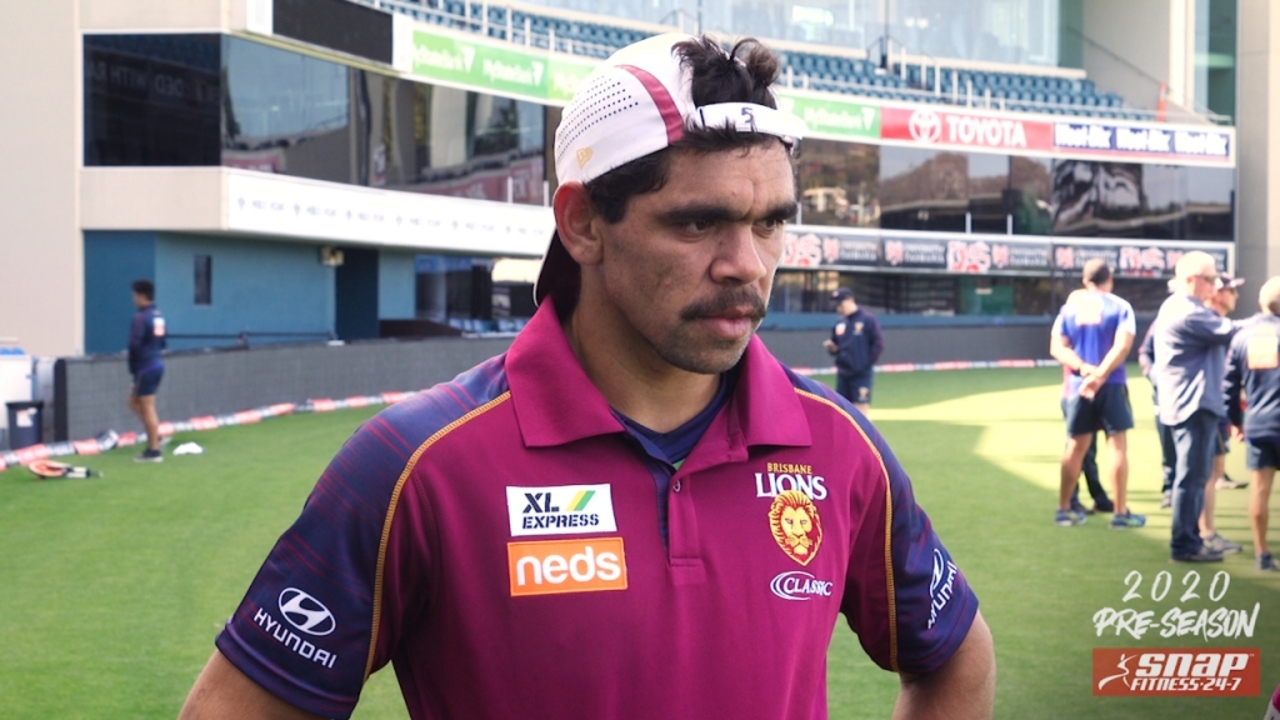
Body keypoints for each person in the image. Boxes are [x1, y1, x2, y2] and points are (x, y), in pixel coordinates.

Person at [179, 34, 995, 720]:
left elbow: (955, 657)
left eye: (771, 222)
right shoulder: (415, 465)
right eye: (699, 221)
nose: (747, 266)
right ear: (581, 223)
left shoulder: (840, 449)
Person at [1152, 251, 1240, 562]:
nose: (1215, 286)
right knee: (1191, 478)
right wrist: (1267, 323)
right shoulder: (1187, 311)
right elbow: (1233, 331)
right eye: (1211, 278)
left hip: (1189, 404)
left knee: (1192, 476)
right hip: (1194, 406)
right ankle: (1185, 544)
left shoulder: (1180, 307)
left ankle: (1189, 540)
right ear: (1192, 280)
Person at [1049, 260, 1142, 528]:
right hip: (1111, 384)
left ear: (1085, 281)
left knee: (1075, 447)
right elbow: (1122, 346)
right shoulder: (1121, 306)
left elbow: (1057, 347)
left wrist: (1084, 369)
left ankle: (1063, 508)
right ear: (1109, 278)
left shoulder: (1069, 309)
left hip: (1079, 386)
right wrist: (1101, 374)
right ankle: (1120, 513)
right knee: (1117, 446)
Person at [1224, 276, 1280, 572]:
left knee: (1260, 490)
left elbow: (1229, 386)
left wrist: (1235, 421)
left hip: (1258, 424)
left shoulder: (1243, 336)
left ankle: (1262, 554)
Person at [1199, 274, 1246, 555]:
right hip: (1205, 407)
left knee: (1212, 472)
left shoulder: (1216, 323)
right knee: (1206, 473)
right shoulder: (1207, 321)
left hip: (1213, 407)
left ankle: (1203, 531)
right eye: (1230, 290)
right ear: (1216, 293)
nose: (1235, 296)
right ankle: (1205, 533)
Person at [823, 287, 883, 415]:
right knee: (842, 411)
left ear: (850, 300)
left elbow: (878, 344)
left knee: (861, 412)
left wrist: (865, 364)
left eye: (840, 304)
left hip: (861, 374)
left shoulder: (867, 319)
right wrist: (833, 349)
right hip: (844, 373)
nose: (838, 308)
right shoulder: (839, 322)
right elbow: (837, 346)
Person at [127, 278, 166, 462]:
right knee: (134, 401)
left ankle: (154, 449)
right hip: (157, 363)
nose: (133, 299)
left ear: (141, 295)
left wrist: (134, 371)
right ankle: (154, 436)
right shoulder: (158, 316)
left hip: (146, 366)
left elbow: (134, 344)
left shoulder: (141, 318)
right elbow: (163, 341)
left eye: (134, 295)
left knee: (147, 406)